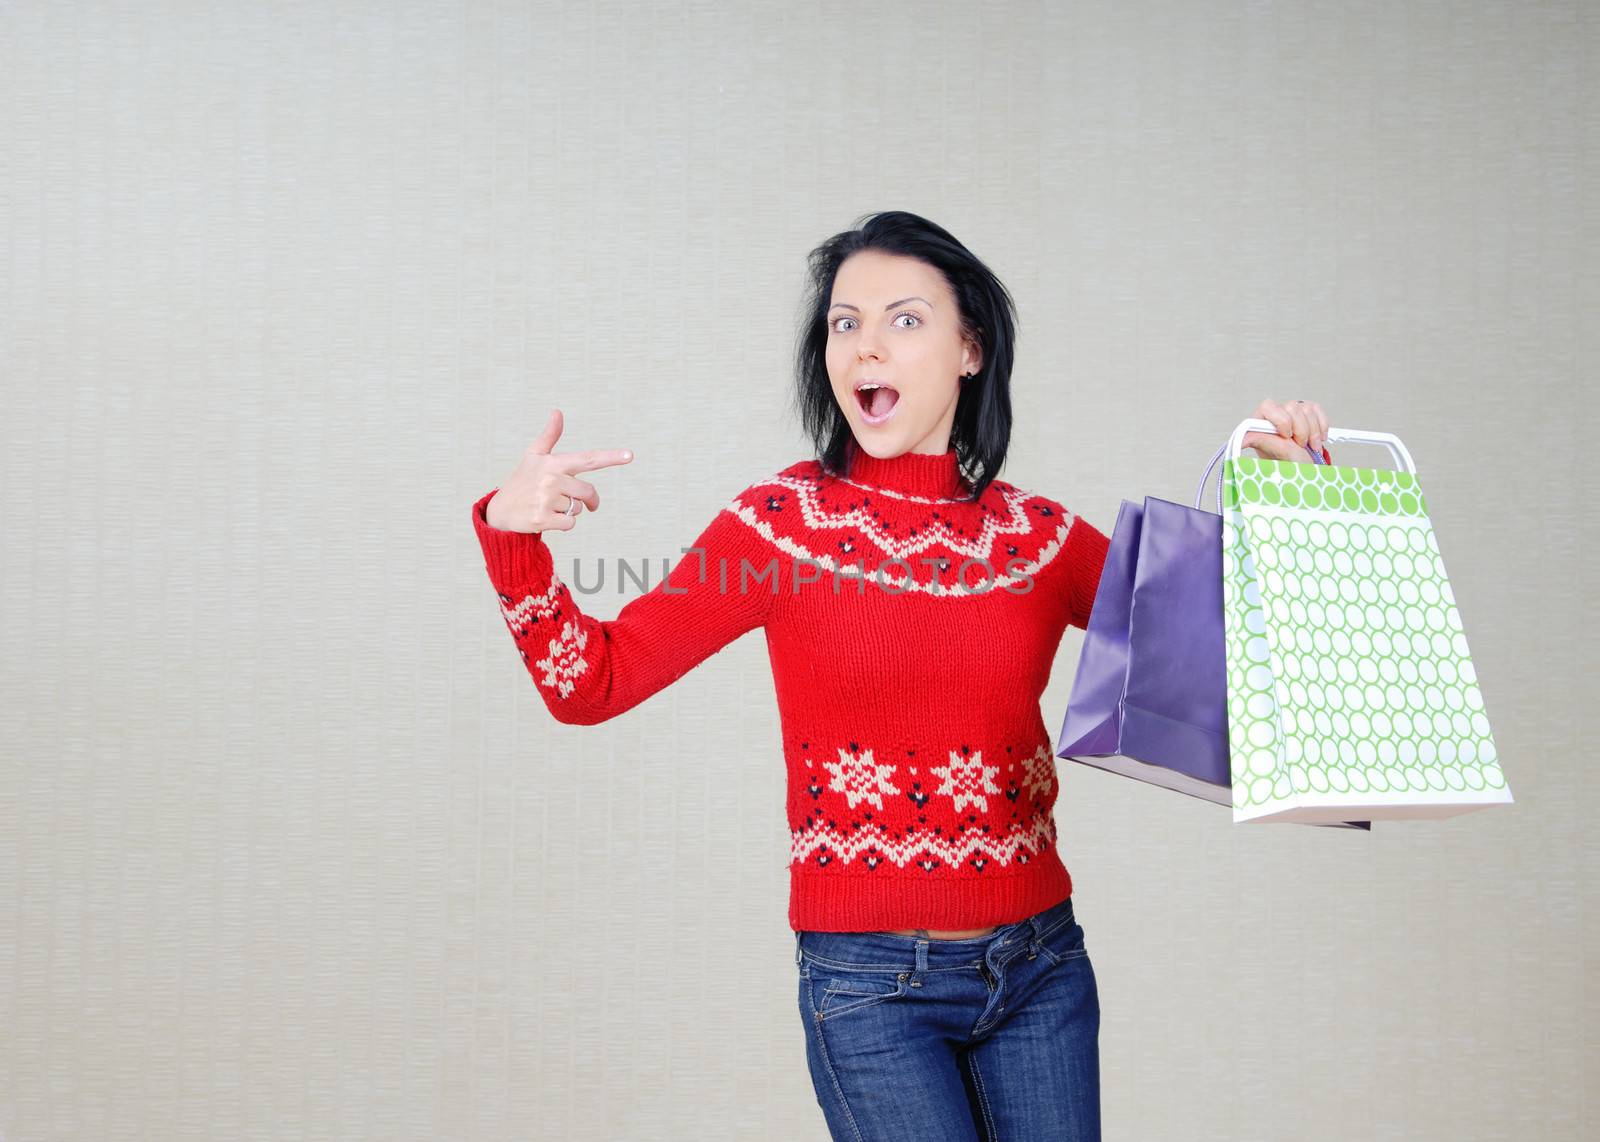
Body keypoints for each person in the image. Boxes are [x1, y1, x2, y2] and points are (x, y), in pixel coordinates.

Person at [470, 210, 1332, 1141]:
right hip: (866, 986)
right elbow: (589, 683)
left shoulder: (1035, 537)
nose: (866, 346)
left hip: (1040, 967)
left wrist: (1289, 494)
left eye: (904, 319)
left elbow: (1229, 657)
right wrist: (514, 540)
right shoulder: (775, 529)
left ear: (970, 348)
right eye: (846, 323)